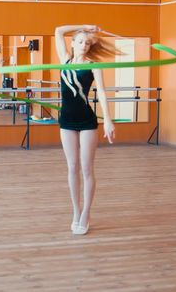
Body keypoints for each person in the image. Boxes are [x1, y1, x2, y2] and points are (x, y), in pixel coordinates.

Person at [54, 24, 119, 235]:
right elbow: (58, 31)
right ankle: (75, 211)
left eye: (87, 43)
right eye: (80, 41)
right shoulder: (64, 60)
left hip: (87, 121)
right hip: (66, 121)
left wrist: (108, 120)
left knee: (87, 168)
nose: (83, 45)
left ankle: (86, 214)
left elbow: (101, 91)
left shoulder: (94, 65)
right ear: (72, 44)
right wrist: (84, 27)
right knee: (72, 167)